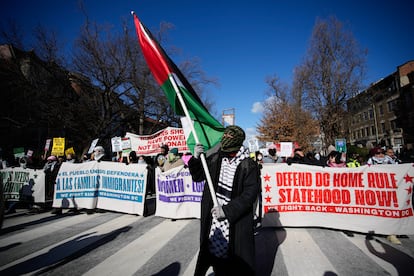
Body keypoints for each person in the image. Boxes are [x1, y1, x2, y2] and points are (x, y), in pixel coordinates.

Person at [188, 125, 260, 275]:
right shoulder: (215, 158)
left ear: (239, 145)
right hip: (213, 220)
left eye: (230, 150)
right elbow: (198, 176)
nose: (226, 153)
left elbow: (250, 195)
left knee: (233, 259)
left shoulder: (249, 165)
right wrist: (195, 159)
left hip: (234, 222)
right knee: (212, 252)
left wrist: (227, 211)